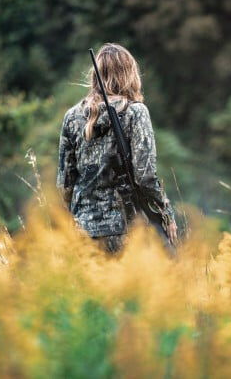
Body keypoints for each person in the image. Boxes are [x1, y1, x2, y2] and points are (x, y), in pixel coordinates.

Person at [57, 43, 177, 254]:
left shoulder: (72, 116)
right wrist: (166, 215)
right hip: (126, 230)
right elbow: (145, 177)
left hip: (82, 232)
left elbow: (65, 185)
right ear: (129, 74)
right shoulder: (136, 112)